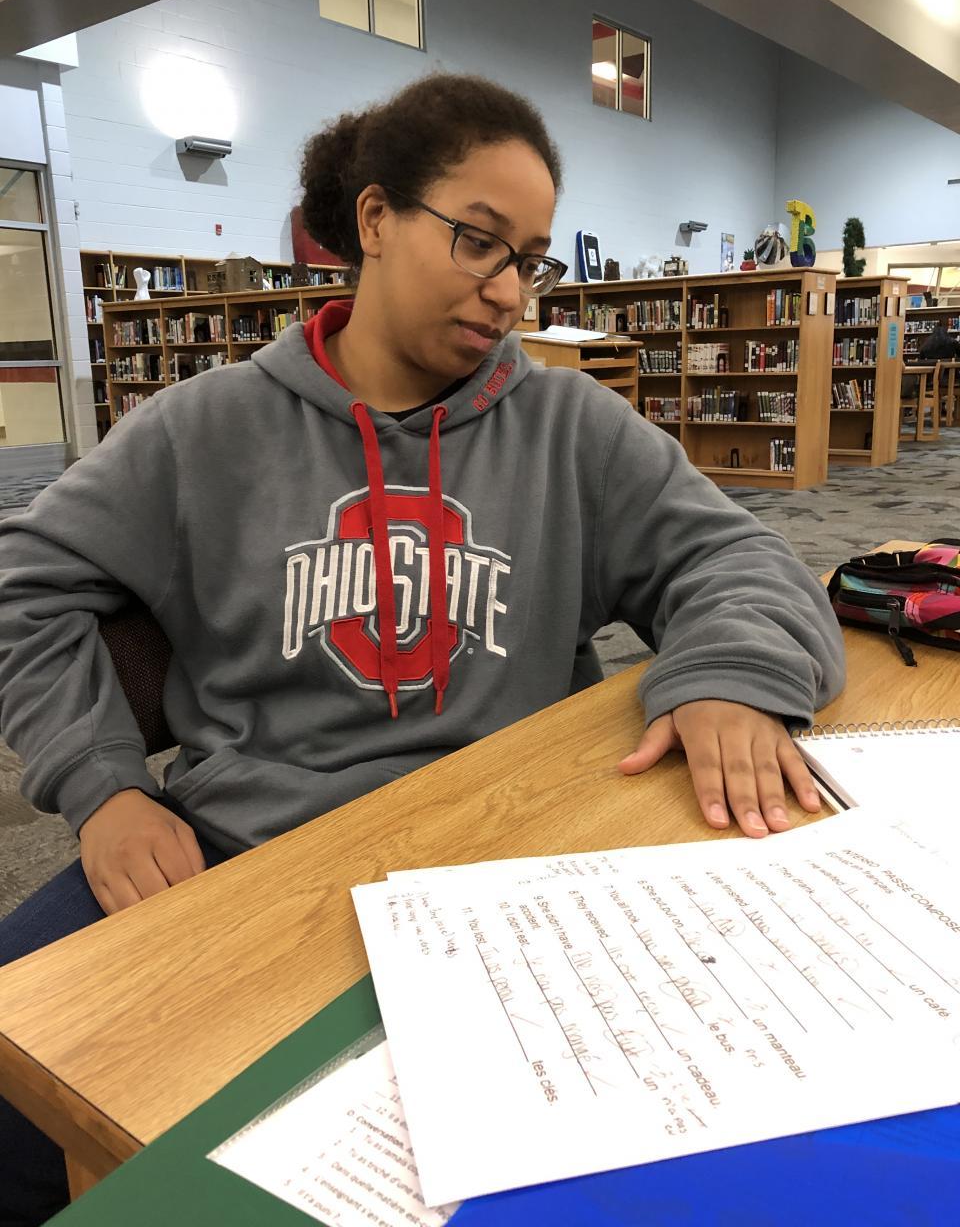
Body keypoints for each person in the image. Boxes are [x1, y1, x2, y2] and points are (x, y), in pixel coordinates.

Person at [0, 72, 844, 1222]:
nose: (508, 291)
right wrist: (102, 787)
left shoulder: (570, 426)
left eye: (530, 260)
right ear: (376, 218)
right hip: (243, 860)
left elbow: (742, 561)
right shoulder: (204, 426)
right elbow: (25, 583)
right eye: (478, 241)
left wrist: (732, 676)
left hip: (504, 864)